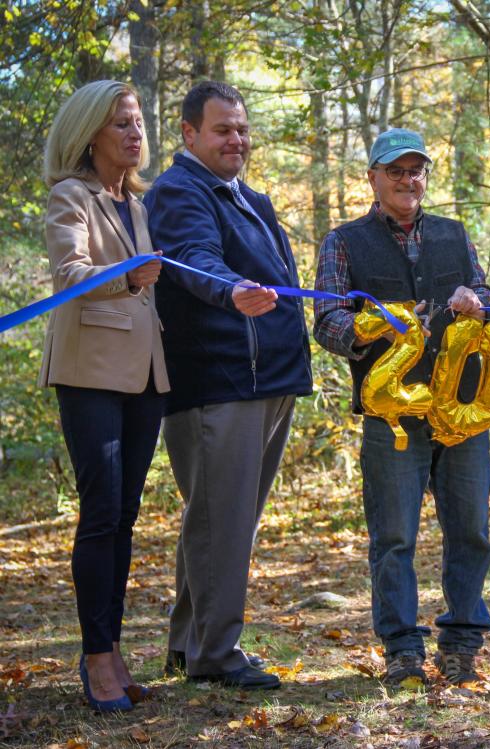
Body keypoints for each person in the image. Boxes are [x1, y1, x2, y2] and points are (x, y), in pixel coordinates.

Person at [314, 128, 490, 687]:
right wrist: (375, 327)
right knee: (394, 538)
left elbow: (489, 299)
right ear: (372, 177)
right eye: (395, 170)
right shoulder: (344, 242)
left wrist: (477, 303)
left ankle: (462, 642)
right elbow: (325, 321)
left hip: (459, 411)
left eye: (416, 170)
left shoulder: (452, 234)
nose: (407, 180)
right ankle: (402, 650)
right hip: (391, 417)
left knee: (470, 531)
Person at [145, 81, 312, 690]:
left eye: (241, 128)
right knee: (222, 521)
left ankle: (190, 646)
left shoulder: (248, 197)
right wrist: (229, 291)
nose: (236, 139)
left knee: (218, 520)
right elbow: (194, 260)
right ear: (189, 133)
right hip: (218, 381)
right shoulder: (179, 191)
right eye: (222, 129)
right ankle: (217, 653)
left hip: (267, 379)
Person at [40, 80, 168, 712]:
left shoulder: (137, 207)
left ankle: (112, 649)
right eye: (121, 123)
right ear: (91, 133)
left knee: (124, 518)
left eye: (139, 122)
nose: (134, 133)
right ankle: (94, 658)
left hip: (146, 377)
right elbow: (69, 276)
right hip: (89, 373)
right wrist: (126, 277)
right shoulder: (72, 196)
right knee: (100, 514)